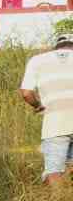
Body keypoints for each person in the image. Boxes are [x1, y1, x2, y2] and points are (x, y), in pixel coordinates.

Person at [19, 33, 73, 187]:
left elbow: (26, 93)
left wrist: (37, 106)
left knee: (54, 171)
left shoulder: (38, 60)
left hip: (55, 123)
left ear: (56, 47)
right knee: (71, 167)